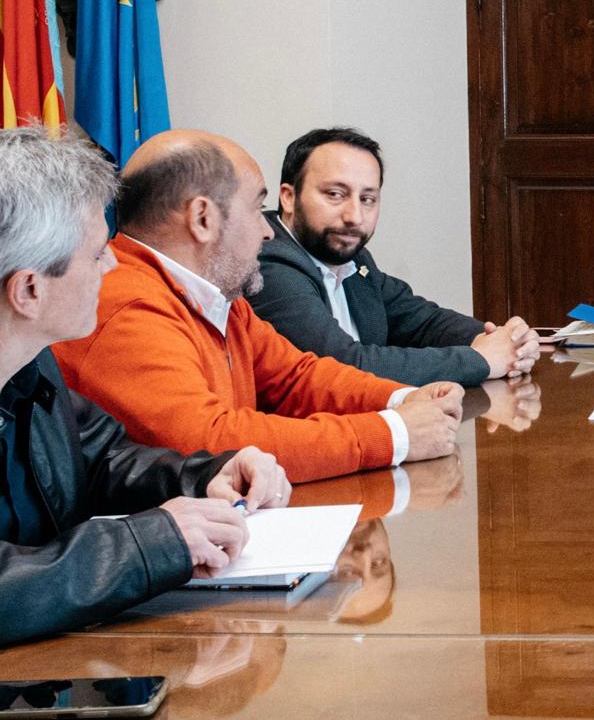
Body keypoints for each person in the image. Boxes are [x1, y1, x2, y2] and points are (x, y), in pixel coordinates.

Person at [0, 127, 292, 646]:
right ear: (29, 290)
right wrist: (148, 542)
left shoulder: (30, 361)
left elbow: (100, 457)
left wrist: (207, 474)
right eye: (96, 254)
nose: (113, 262)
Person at [52, 130, 464, 484]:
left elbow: (297, 377)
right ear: (202, 219)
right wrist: (394, 434)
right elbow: (208, 443)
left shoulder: (216, 294)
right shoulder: (127, 304)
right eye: (256, 207)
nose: (268, 231)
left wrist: (403, 399)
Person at [247, 127, 538, 386]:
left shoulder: (354, 260)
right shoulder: (268, 262)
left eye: (367, 199)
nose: (354, 216)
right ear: (288, 197)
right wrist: (480, 359)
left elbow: (420, 320)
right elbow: (343, 366)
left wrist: (501, 340)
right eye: (335, 194)